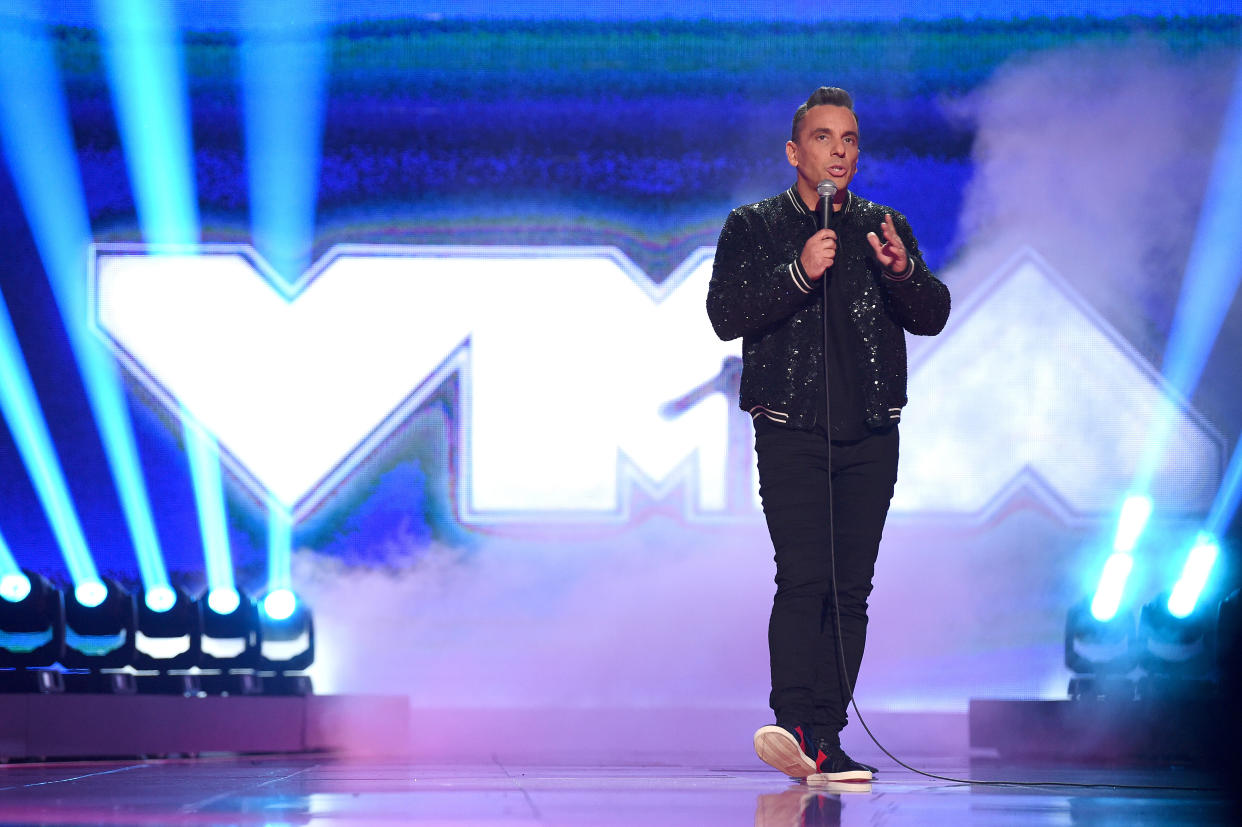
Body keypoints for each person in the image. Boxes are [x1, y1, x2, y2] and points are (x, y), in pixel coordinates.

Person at [706, 86, 950, 782]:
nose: (837, 151)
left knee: (850, 589)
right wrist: (798, 271)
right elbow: (726, 314)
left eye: (848, 140)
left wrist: (903, 271)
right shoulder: (753, 227)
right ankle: (791, 726)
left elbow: (931, 312)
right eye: (822, 138)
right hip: (791, 428)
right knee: (804, 576)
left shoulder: (883, 224)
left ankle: (827, 736)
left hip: (871, 431)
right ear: (794, 151)